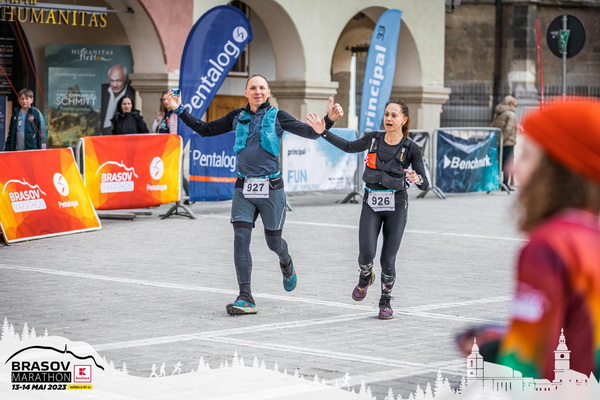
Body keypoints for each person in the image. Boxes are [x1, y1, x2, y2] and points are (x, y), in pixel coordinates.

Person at [166, 74, 343, 316]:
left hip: (272, 189)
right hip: (244, 188)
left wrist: (328, 120)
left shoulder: (278, 116)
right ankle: (245, 296)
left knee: (273, 243)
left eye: (262, 88)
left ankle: (286, 261)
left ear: (268, 92)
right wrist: (179, 109)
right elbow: (205, 130)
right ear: (246, 92)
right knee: (240, 238)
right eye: (253, 88)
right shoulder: (236, 116)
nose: (257, 91)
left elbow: (311, 133)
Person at [456, 97, 600, 380]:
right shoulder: (591, 233)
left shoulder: (549, 246)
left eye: (525, 156)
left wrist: (489, 349)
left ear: (556, 171)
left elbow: (525, 364)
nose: (511, 168)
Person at [306, 99, 429, 319]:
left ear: (404, 120)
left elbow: (425, 183)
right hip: (371, 202)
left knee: (387, 259)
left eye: (394, 115)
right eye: (387, 114)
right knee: (366, 255)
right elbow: (349, 147)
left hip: (396, 205)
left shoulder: (411, 148)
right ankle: (365, 276)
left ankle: (385, 301)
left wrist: (417, 178)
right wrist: (323, 132)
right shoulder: (373, 139)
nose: (389, 118)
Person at [152, 90, 189, 199]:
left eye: (167, 99)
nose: (165, 102)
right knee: (162, 171)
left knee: (178, 172)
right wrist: (157, 120)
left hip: (174, 147)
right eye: (163, 99)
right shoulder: (162, 114)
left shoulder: (176, 113)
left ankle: (189, 194)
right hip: (162, 147)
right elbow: (155, 129)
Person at [491, 95, 518, 190]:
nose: (515, 107)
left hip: (497, 141)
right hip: (508, 142)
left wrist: (496, 140)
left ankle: (496, 182)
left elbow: (493, 126)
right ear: (511, 104)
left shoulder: (498, 113)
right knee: (508, 164)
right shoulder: (511, 114)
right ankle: (505, 184)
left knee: (498, 163)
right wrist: (502, 140)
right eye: (515, 105)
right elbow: (509, 129)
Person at [101, 65, 136, 135]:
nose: (115, 85)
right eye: (112, 81)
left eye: (118, 81)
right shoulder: (103, 90)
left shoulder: (133, 93)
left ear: (125, 79)